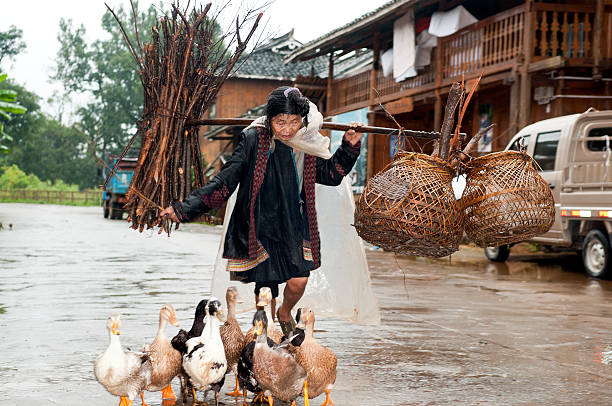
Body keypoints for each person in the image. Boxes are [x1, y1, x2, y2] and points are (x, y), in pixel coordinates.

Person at [161, 86, 362, 335]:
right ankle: (265, 339)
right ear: (270, 119)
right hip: (261, 223)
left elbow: (331, 175)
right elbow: (226, 180)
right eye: (280, 122)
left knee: (299, 280)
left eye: (294, 122)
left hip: (296, 224)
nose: (287, 130)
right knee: (266, 290)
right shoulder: (254, 139)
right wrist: (184, 209)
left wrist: (349, 148)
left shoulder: (308, 141)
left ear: (303, 120)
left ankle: (285, 311)